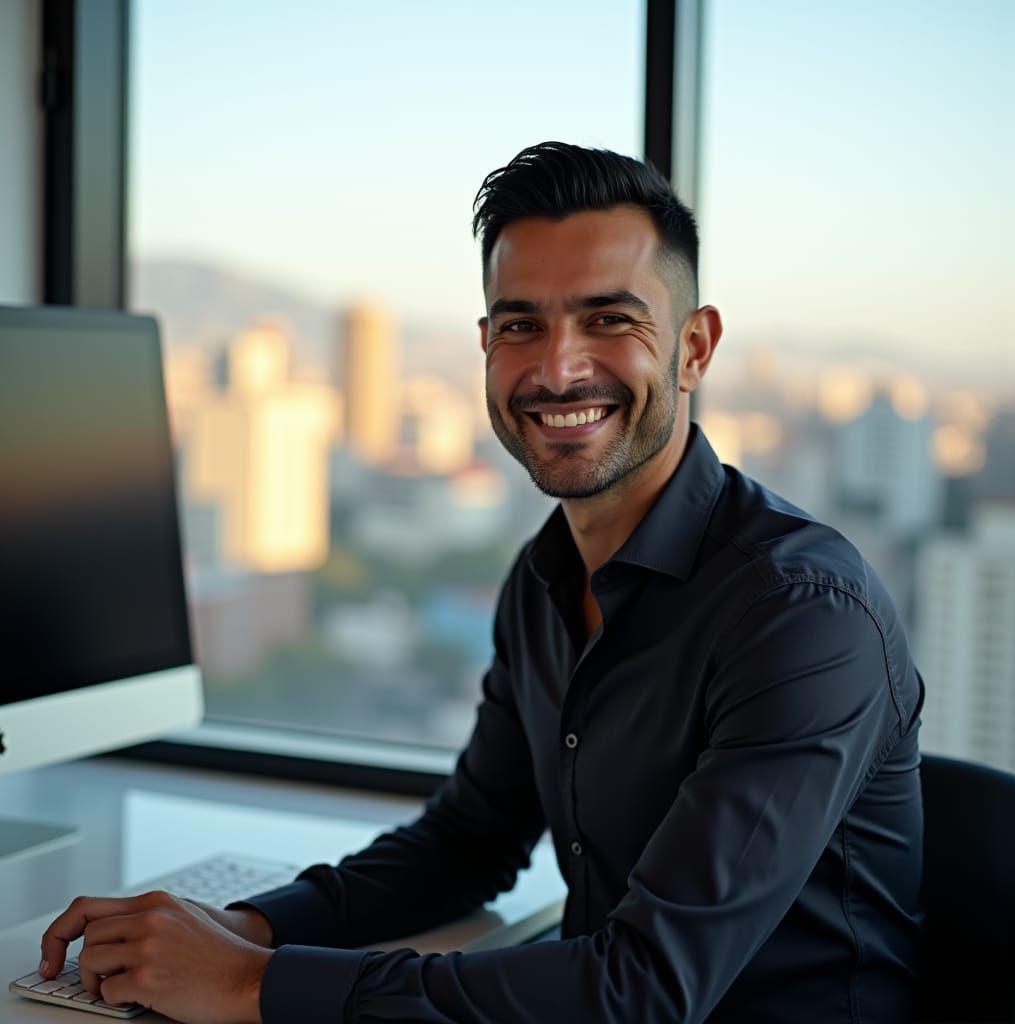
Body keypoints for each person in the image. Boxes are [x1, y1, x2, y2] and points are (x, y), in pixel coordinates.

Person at [39, 142, 925, 1023]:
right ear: (486, 346)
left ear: (694, 349)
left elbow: (642, 991)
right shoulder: (546, 575)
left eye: (610, 320)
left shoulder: (800, 616)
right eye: (520, 325)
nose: (556, 368)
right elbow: (467, 843)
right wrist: (240, 928)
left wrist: (246, 985)